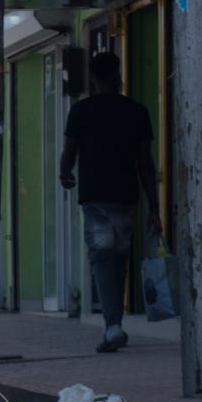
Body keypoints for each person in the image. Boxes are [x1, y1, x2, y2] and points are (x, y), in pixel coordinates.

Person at [59, 51, 161, 352]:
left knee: (102, 259)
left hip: (94, 198)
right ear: (118, 76)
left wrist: (65, 175)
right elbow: (145, 163)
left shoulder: (80, 111)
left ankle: (112, 326)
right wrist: (154, 206)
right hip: (126, 196)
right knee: (119, 258)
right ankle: (114, 323)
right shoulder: (137, 112)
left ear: (94, 77)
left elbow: (69, 151)